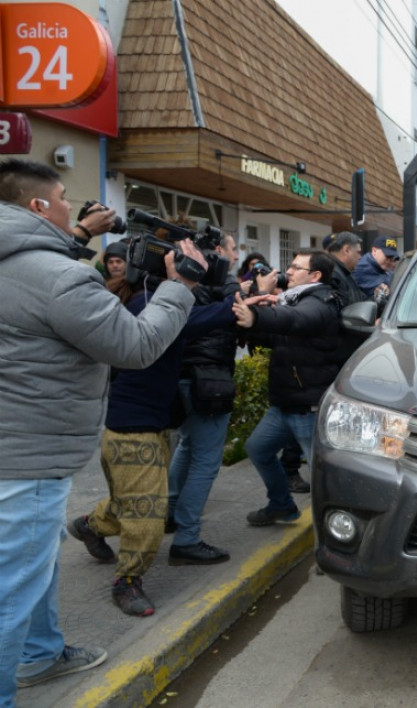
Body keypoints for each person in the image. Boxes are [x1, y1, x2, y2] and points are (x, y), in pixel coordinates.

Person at [0, 159, 200, 701]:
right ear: (39, 206)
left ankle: (42, 655)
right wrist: (178, 287)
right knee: (13, 588)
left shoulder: (24, 264)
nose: (75, 208)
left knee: (31, 567)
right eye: (65, 197)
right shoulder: (60, 277)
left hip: (15, 443)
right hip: (30, 453)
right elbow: (134, 347)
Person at [70, 251, 234, 616]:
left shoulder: (151, 300)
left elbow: (197, 319)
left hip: (147, 424)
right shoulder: (147, 302)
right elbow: (196, 319)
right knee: (147, 514)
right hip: (133, 428)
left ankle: (89, 525)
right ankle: (127, 582)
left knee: (133, 501)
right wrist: (234, 302)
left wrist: (239, 299)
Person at [233, 249, 344, 526]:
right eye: (290, 266)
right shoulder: (294, 299)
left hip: (308, 408)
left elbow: (297, 320)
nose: (289, 272)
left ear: (315, 275)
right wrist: (255, 316)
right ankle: (281, 504)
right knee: (258, 449)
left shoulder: (321, 301)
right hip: (285, 403)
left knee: (323, 478)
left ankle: (338, 530)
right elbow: (274, 337)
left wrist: (258, 317)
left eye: (296, 268)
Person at [167, 231, 242, 564]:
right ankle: (186, 538)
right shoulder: (204, 289)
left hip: (187, 378)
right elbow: (227, 314)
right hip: (206, 381)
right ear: (216, 254)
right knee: (205, 462)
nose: (236, 258)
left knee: (187, 446)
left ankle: (169, 511)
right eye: (231, 251)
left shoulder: (184, 285)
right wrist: (234, 289)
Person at [323, 231, 368, 306]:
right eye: (358, 252)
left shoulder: (346, 272)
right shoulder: (332, 275)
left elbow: (361, 301)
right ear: (346, 250)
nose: (360, 257)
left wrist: (377, 297)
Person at [353, 234, 401, 300]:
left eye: (392, 257)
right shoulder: (363, 268)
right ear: (374, 251)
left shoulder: (380, 267)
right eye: (387, 256)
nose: (390, 260)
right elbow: (391, 288)